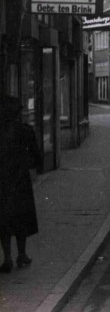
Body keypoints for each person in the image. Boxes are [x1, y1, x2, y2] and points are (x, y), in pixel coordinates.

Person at [0, 95, 42, 273]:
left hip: (2, 181)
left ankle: (7, 257)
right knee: (21, 217)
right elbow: (36, 157)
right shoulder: (25, 130)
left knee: (4, 219)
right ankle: (22, 254)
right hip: (20, 180)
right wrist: (31, 166)